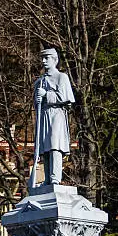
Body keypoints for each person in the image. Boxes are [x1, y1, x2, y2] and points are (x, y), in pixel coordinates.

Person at [34, 48, 75, 185]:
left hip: (56, 113)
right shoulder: (40, 81)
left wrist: (46, 95)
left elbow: (65, 97)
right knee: (45, 147)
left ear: (55, 60)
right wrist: (38, 98)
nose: (44, 61)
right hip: (44, 114)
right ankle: (47, 179)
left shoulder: (61, 77)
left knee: (54, 145)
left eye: (47, 58)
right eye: (42, 58)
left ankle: (55, 178)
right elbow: (37, 102)